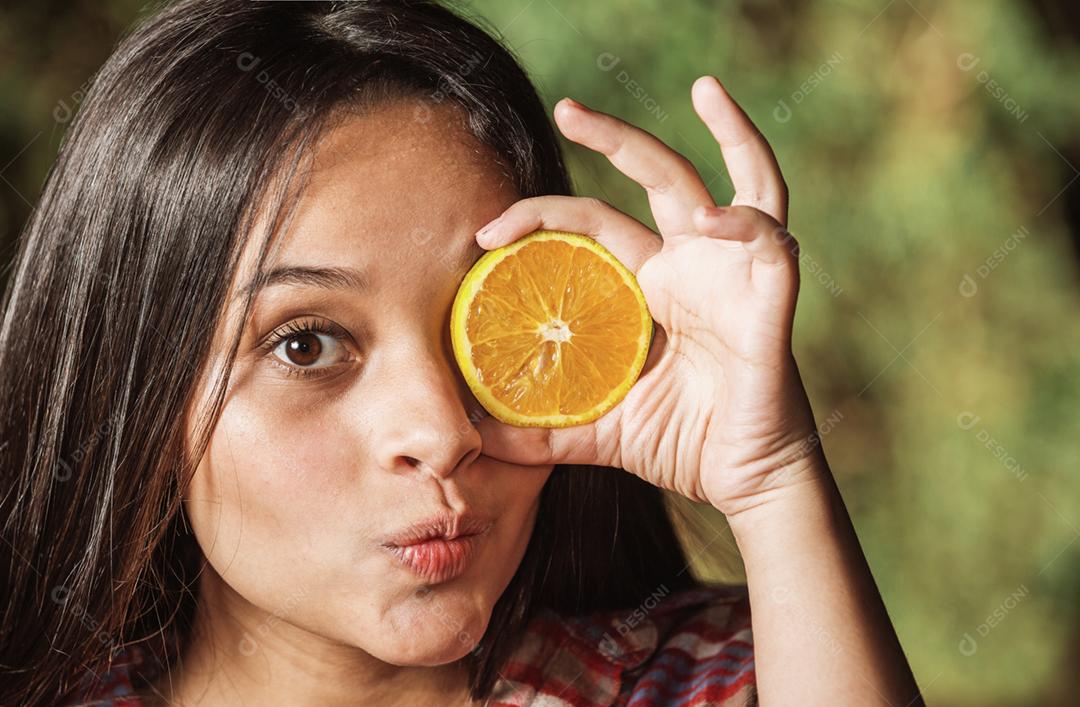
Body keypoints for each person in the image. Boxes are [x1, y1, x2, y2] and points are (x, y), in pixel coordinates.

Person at [0, 0, 922, 704]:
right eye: (307, 342)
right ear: (141, 390)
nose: (442, 431)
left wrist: (769, 477)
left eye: (473, 332)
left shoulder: (719, 678)